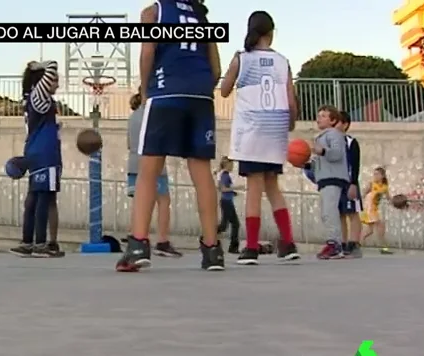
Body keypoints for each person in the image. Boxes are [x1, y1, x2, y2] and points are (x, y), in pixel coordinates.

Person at [117, 0, 223, 272]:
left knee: (149, 170)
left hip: (166, 92)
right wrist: (199, 87)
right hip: (200, 95)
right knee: (201, 173)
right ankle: (212, 250)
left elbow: (147, 52)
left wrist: (146, 89)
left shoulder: (153, 12)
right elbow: (216, 71)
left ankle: (139, 244)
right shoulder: (202, 17)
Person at [220, 11, 300, 265]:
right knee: (273, 187)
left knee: (254, 189)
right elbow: (291, 100)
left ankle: (252, 247)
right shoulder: (282, 61)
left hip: (252, 131)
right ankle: (288, 243)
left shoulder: (242, 58)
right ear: (271, 32)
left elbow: (223, 91)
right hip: (275, 130)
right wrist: (290, 124)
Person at [8, 60, 63, 258]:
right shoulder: (40, 96)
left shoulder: (29, 97)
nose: (57, 84)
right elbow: (52, 66)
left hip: (33, 151)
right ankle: (40, 244)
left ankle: (26, 242)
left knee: (33, 199)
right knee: (44, 199)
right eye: (55, 80)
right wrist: (38, 65)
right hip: (46, 154)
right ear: (43, 81)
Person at [126, 90, 182, 258]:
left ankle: (136, 237)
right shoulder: (155, 114)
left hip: (133, 162)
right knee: (163, 201)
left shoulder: (133, 116)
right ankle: (162, 241)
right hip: (152, 162)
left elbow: (129, 143)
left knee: (139, 201)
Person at [309, 105, 349, 259]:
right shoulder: (322, 136)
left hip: (333, 178)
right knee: (326, 213)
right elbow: (320, 162)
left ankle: (335, 244)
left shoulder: (334, 134)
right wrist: (306, 164)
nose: (319, 118)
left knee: (330, 212)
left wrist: (323, 151)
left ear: (333, 120)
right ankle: (333, 242)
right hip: (325, 178)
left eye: (324, 116)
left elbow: (337, 154)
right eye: (319, 115)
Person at [336, 111, 363, 258]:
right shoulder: (328, 143)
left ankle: (354, 243)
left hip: (349, 182)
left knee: (352, 212)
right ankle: (343, 243)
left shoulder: (351, 142)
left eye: (338, 122)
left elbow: (355, 164)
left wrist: (353, 183)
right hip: (336, 182)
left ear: (345, 124)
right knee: (339, 214)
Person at [361, 167, 393, 254]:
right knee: (380, 226)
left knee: (370, 230)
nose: (375, 176)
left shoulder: (384, 186)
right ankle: (384, 247)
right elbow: (364, 194)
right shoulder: (371, 184)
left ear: (382, 176)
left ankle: (358, 242)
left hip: (375, 208)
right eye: (374, 174)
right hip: (369, 208)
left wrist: (394, 202)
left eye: (377, 174)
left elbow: (388, 197)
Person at [216, 157, 241, 254]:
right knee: (235, 224)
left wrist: (233, 192)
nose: (233, 166)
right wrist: (236, 188)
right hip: (226, 202)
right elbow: (223, 189)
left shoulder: (223, 175)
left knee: (224, 226)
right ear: (227, 165)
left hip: (226, 201)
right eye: (232, 164)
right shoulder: (224, 175)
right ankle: (233, 247)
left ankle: (207, 235)